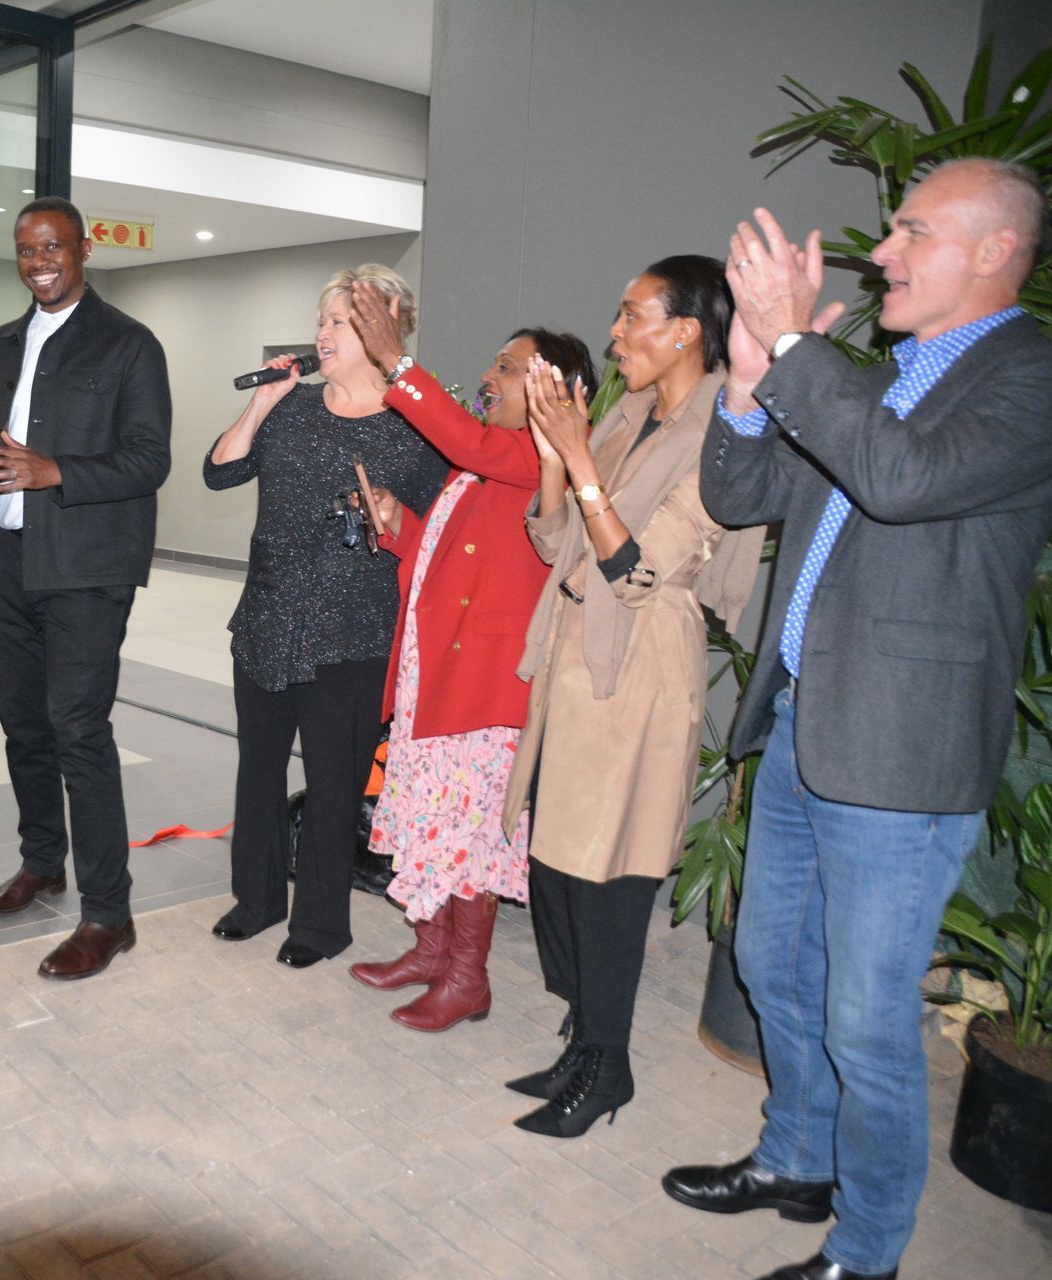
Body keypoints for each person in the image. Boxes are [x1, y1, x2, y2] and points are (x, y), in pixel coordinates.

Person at [662, 159, 1052, 1280]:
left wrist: (793, 347)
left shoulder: (1026, 377)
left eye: (911, 231)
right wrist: (745, 382)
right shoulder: (877, 373)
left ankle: (870, 1247)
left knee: (868, 1017)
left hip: (904, 754)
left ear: (991, 250)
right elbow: (744, 497)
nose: (880, 253)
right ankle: (795, 1155)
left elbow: (900, 479)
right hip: (803, 728)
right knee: (775, 968)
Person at [502, 255, 764, 1137]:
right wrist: (554, 457)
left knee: (610, 871)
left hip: (643, 658)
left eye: (631, 316)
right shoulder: (628, 411)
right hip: (578, 649)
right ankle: (585, 1039)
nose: (615, 333)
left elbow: (641, 567)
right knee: (560, 863)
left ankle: (609, 1065)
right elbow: (554, 541)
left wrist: (578, 460)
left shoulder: (726, 424)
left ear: (687, 328)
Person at [0, 196, 172, 981]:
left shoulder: (129, 345)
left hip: (88, 570)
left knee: (78, 729)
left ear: (84, 250)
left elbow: (148, 459)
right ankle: (42, 863)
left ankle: (108, 914)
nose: (40, 261)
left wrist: (55, 469)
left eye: (54, 246)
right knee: (23, 722)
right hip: (6, 563)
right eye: (27, 250)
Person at [343, 296, 591, 1034]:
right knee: (433, 824)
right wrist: (397, 527)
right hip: (436, 683)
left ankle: (466, 979)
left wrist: (397, 363)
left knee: (470, 837)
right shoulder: (479, 471)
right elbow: (438, 565)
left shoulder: (532, 460)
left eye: (507, 368)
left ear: (550, 389)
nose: (489, 375)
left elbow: (468, 442)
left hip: (486, 695)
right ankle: (430, 953)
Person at [202, 265, 449, 969]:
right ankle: (255, 902)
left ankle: (321, 924)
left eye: (338, 321)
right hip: (267, 619)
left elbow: (439, 528)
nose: (323, 334)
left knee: (336, 786)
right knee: (258, 767)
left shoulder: (413, 427)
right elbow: (220, 470)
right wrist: (265, 401)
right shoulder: (293, 405)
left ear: (384, 325)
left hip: (353, 631)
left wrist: (396, 519)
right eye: (323, 321)